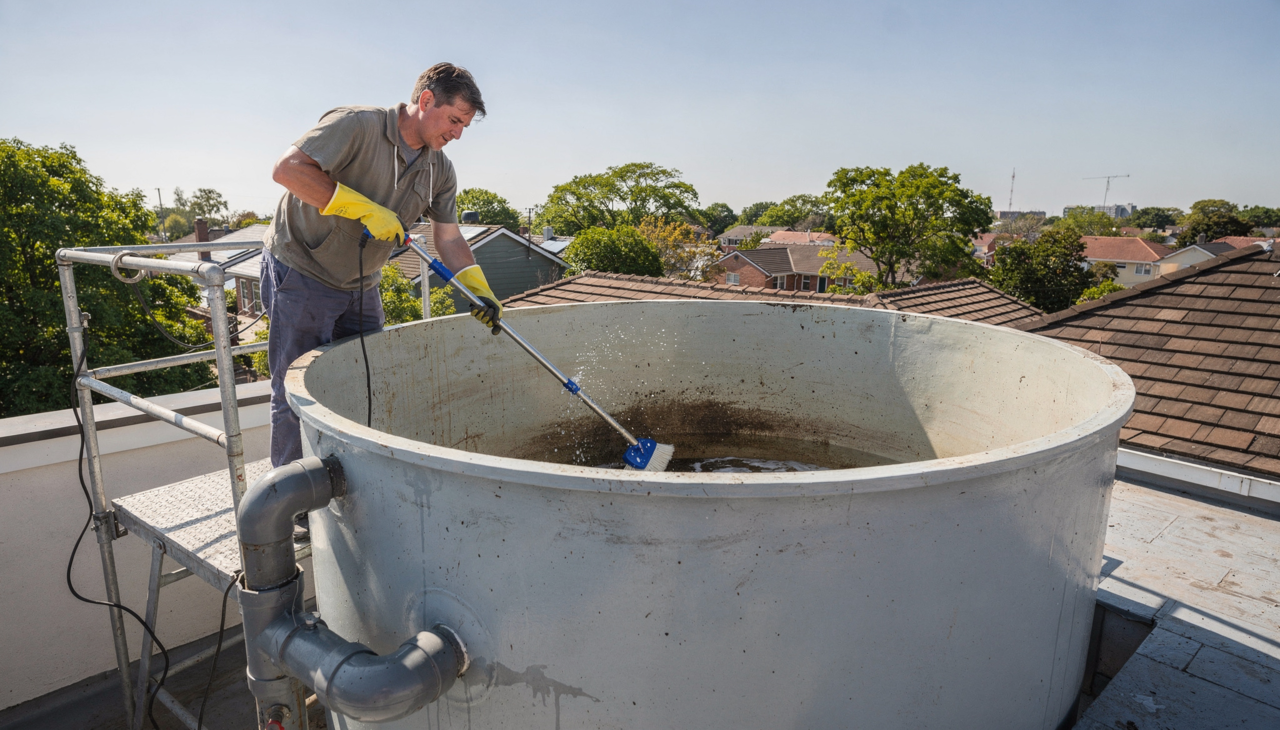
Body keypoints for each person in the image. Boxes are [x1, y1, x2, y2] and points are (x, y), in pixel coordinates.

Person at [261, 62, 502, 479]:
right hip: (301, 270)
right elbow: (288, 170)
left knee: (366, 378)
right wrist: (360, 207)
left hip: (361, 282)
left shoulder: (439, 169)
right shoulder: (357, 125)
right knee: (294, 391)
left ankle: (354, 479)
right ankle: (290, 500)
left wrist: (477, 287)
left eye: (464, 125)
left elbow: (448, 239)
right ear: (426, 101)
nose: (458, 133)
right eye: (454, 120)